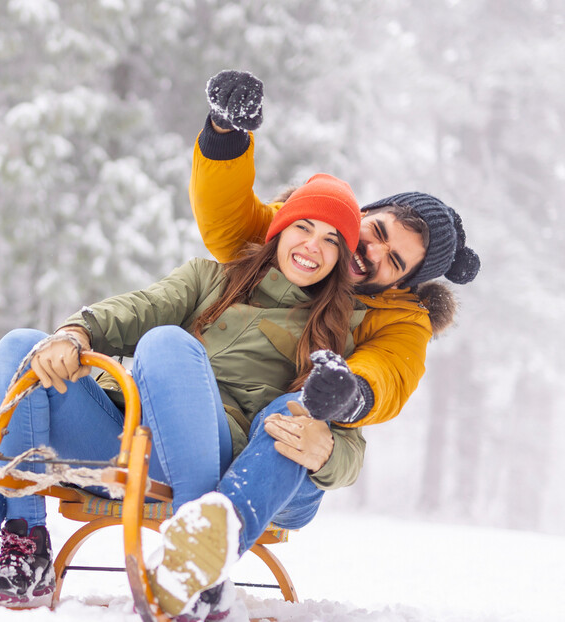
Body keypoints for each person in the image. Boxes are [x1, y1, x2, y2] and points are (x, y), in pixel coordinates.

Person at [0, 172, 366, 613]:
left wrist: (325, 453)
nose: (312, 246)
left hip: (207, 463)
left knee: (167, 343)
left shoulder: (335, 334)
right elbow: (139, 307)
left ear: (342, 258)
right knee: (22, 347)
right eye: (303, 227)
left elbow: (348, 441)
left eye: (331, 240)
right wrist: (75, 333)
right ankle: (23, 545)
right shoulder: (210, 278)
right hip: (123, 437)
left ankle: (194, 550)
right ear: (279, 229)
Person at [146, 69, 484, 621]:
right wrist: (225, 136)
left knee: (294, 413)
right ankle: (201, 560)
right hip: (214, 424)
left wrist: (351, 393)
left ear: (404, 283)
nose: (371, 253)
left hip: (291, 459)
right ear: (363, 215)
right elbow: (230, 221)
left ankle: (200, 553)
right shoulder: (302, 241)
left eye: (395, 261)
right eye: (377, 232)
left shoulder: (398, 320)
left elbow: (390, 370)